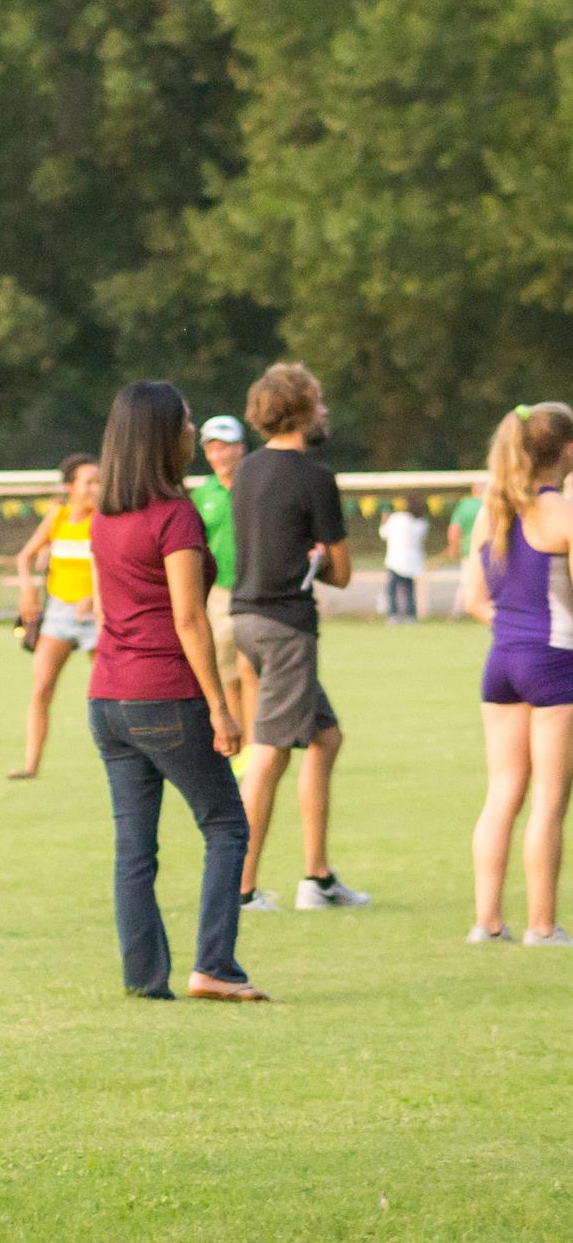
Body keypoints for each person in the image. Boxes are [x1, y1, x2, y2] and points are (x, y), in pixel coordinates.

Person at [88, 382, 263, 1001]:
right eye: (187, 423)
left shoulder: (104, 516)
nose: (194, 433)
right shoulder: (175, 516)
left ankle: (143, 978)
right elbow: (189, 618)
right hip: (164, 694)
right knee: (227, 826)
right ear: (164, 437)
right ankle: (215, 966)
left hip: (107, 699)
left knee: (134, 847)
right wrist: (221, 707)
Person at [230, 361, 370, 911]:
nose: (325, 409)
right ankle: (238, 889)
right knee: (269, 756)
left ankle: (318, 878)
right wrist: (318, 559)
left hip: (246, 618)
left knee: (325, 738)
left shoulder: (245, 471)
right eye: (319, 400)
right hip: (286, 626)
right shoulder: (315, 476)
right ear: (304, 409)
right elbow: (342, 572)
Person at [458, 403, 573, 947]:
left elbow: (472, 599)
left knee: (503, 791)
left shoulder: (493, 511)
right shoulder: (562, 514)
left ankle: (488, 922)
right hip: (554, 663)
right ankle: (543, 927)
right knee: (550, 799)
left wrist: (517, 633)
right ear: (567, 452)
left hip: (501, 663)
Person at [9, 454, 100, 779]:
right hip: (60, 613)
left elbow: (114, 566)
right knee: (42, 687)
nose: (95, 488)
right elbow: (24, 558)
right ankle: (31, 765)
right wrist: (28, 591)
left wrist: (94, 597)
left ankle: (125, 758)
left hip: (98, 616)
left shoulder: (104, 519)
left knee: (110, 691)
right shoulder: (58, 517)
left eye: (98, 481)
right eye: (88, 482)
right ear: (71, 487)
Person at [188, 415, 252, 752]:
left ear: (240, 448)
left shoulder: (256, 485)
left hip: (256, 590)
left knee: (251, 669)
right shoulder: (202, 495)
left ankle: (258, 743)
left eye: (225, 447)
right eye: (212, 448)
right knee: (228, 673)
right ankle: (238, 741)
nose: (219, 455)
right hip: (220, 594)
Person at [379, 498, 429, 622]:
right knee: (409, 589)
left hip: (395, 559)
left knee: (392, 589)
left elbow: (383, 533)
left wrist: (384, 520)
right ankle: (411, 615)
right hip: (412, 561)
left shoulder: (397, 518)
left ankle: (393, 614)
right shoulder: (422, 523)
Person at [447, 480, 489, 619]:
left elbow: (454, 529)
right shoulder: (492, 504)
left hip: (468, 551)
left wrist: (454, 547)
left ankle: (459, 612)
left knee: (467, 581)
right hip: (491, 550)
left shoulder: (464, 505)